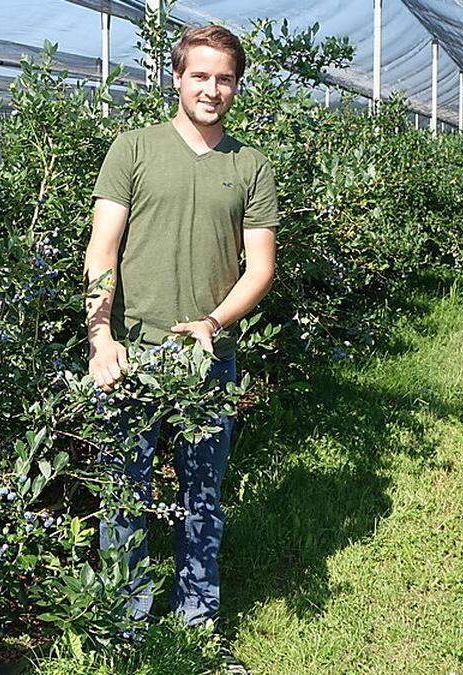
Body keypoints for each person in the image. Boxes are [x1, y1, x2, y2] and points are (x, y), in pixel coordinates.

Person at [82, 24, 279, 631]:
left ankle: (197, 621)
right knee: (124, 493)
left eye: (224, 79)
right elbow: (102, 251)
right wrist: (101, 339)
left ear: (237, 86)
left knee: (203, 495)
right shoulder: (133, 149)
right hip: (131, 353)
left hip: (208, 358)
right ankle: (125, 622)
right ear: (177, 78)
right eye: (201, 75)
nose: (212, 89)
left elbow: (261, 267)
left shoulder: (251, 165)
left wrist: (214, 322)